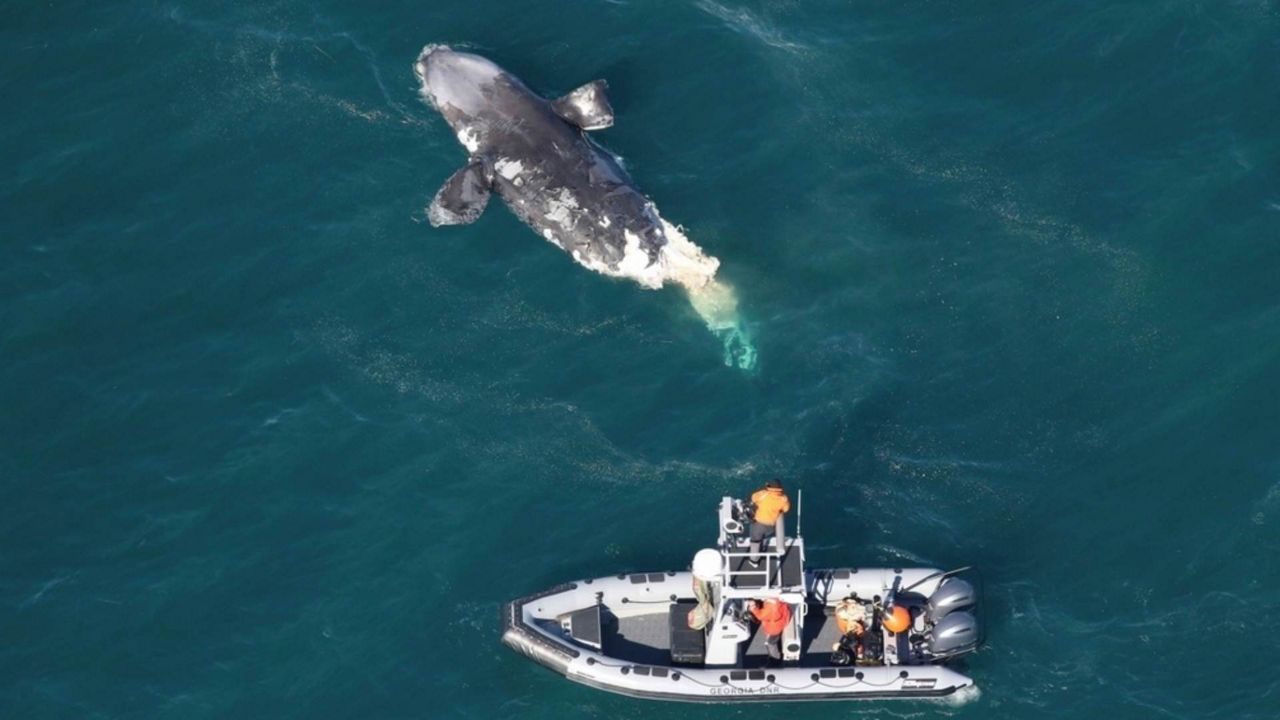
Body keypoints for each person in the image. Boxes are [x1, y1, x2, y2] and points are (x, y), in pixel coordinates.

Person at [748, 479, 791, 566]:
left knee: (755, 542)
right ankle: (762, 548)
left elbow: (753, 497)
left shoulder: (764, 494)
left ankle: (754, 561)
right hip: (771, 527)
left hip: (758, 525)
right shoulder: (783, 499)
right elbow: (786, 509)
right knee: (763, 538)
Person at [748, 598, 792, 663]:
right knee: (774, 639)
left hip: (774, 628)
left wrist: (753, 608)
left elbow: (760, 616)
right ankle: (775, 655)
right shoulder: (777, 601)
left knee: (771, 643)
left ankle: (775, 659)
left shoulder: (771, 608)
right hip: (781, 621)